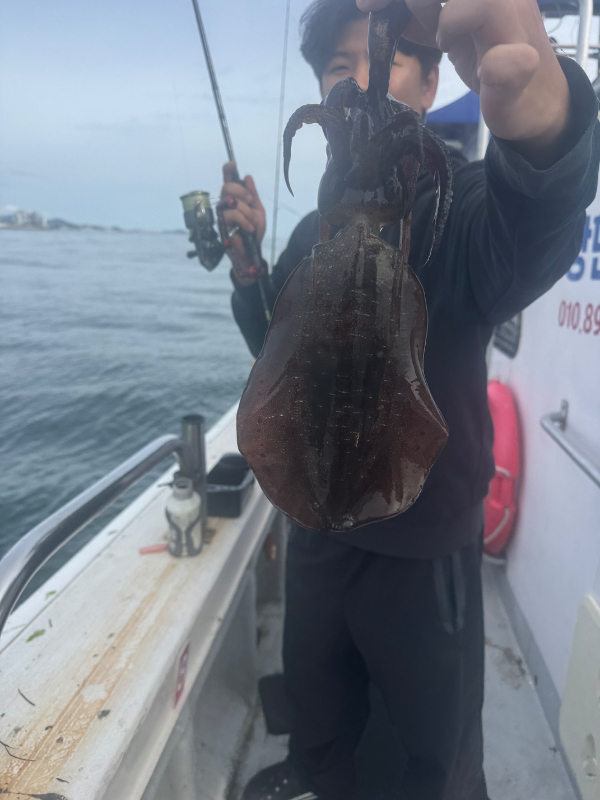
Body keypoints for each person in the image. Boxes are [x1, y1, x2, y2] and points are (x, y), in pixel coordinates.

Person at [220, 1, 600, 798]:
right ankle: (316, 770)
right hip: (316, 525)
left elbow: (527, 226)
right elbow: (272, 351)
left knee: (431, 759)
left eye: (385, 61)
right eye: (340, 68)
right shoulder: (312, 234)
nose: (362, 82)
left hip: (424, 549)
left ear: (431, 84)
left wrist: (547, 134)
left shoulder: (461, 208)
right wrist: (250, 263)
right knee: (317, 706)